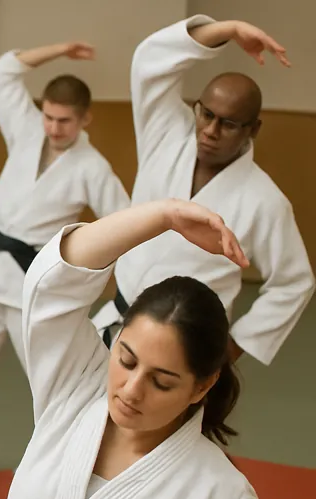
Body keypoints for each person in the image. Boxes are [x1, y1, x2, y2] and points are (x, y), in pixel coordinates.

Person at [1, 198, 293, 499]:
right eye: (126, 360)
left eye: (161, 382)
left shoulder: (217, 495)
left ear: (201, 387)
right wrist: (163, 216)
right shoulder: (73, 392)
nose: (131, 389)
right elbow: (53, 283)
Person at [0, 41, 129, 488]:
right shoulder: (25, 129)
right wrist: (61, 50)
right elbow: (4, 71)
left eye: (64, 120)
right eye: (48, 116)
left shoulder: (93, 167)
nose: (53, 127)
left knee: (48, 381)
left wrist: (98, 283)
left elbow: (121, 225)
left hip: (33, 285)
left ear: (85, 118)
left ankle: (64, 464)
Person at [92, 15, 314, 363]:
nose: (210, 130)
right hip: (115, 325)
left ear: (253, 129)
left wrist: (236, 344)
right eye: (205, 114)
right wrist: (226, 30)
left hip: (186, 351)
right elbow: (149, 62)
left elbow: (294, 282)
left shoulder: (265, 200)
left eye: (227, 123)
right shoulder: (166, 136)